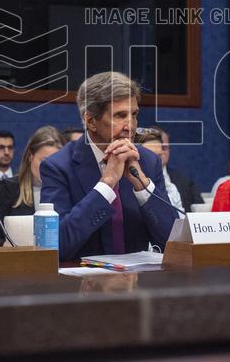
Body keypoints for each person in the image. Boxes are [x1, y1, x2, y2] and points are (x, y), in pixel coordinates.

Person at [39, 71, 178, 261]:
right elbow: (57, 247)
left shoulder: (147, 161)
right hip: (82, 284)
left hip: (137, 283)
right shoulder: (58, 167)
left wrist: (143, 185)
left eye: (134, 114)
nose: (131, 125)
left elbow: (172, 243)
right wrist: (106, 184)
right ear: (90, 121)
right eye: (120, 115)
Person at [0, 126, 65, 243]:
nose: (49, 168)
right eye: (45, 161)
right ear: (31, 157)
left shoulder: (66, 190)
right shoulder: (8, 188)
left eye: (56, 162)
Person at [136, 128, 186, 216]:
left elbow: (179, 224)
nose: (158, 162)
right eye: (151, 156)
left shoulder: (171, 189)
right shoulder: (123, 190)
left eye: (159, 156)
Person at [160, 129, 203, 211]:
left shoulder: (184, 180)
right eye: (155, 147)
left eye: (164, 147)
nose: (160, 152)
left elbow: (200, 211)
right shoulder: (133, 180)